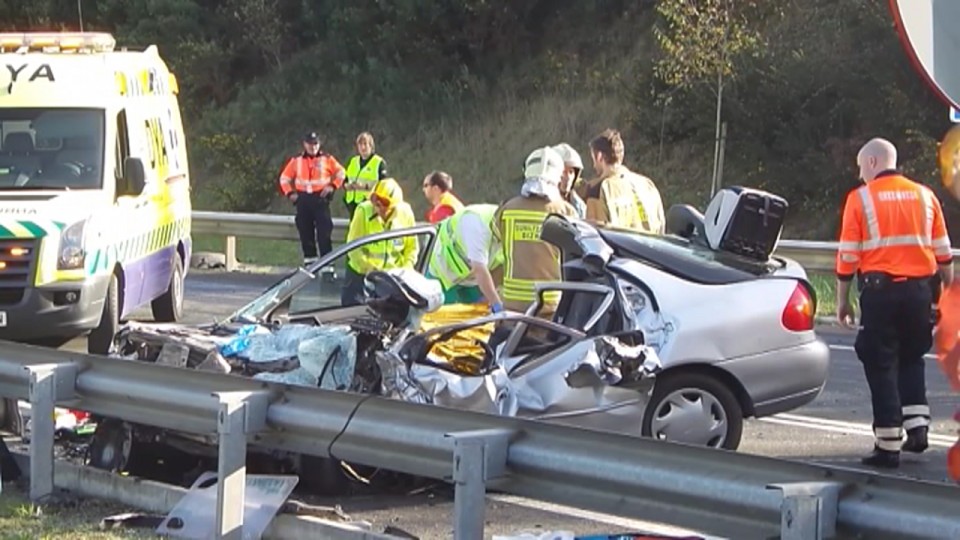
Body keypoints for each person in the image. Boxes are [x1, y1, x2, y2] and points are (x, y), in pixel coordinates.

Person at [835, 137, 954, 468]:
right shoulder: (925, 195)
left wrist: (842, 301)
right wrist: (945, 292)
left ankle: (888, 445)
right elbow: (944, 253)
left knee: (880, 360)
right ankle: (917, 427)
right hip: (920, 292)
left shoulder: (860, 199)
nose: (860, 175)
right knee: (912, 354)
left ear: (873, 163)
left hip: (880, 293)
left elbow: (847, 256)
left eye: (861, 167)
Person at [494, 146, 577, 315]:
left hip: (513, 306)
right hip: (550, 306)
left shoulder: (507, 209)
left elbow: (497, 237)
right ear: (557, 177)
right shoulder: (566, 212)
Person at [341, 178, 418, 306]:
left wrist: (405, 271)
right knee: (353, 315)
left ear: (395, 206)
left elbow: (411, 248)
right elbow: (353, 247)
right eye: (375, 202)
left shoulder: (405, 213)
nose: (378, 207)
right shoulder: (363, 211)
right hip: (361, 277)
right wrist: (370, 269)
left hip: (393, 280)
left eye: (384, 204)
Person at [277, 131, 346, 266]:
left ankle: (327, 268)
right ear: (304, 145)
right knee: (305, 234)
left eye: (315, 144)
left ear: (319, 144)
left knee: (324, 234)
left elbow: (341, 173)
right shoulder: (296, 161)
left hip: (320, 200)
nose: (313, 147)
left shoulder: (327, 159)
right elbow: (284, 178)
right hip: (303, 201)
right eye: (310, 144)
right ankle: (310, 266)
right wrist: (290, 194)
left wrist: (332, 186)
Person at [578, 129, 665, 234]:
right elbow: (661, 227)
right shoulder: (647, 185)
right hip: (651, 249)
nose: (594, 165)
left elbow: (596, 238)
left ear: (599, 156)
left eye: (593, 159)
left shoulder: (598, 190)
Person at [425, 203, 504, 309]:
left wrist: (490, 296)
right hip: (444, 272)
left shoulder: (511, 231)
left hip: (472, 278)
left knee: (476, 317)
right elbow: (479, 269)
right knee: (439, 317)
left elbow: (505, 265)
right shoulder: (477, 224)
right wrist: (496, 304)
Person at [342, 132, 388, 218]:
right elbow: (345, 180)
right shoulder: (353, 161)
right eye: (360, 145)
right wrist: (348, 186)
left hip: (369, 205)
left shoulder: (379, 162)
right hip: (352, 205)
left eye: (365, 144)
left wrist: (364, 186)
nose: (363, 147)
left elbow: (384, 185)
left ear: (371, 146)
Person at [551, 143, 587, 218]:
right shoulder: (541, 202)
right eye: (563, 172)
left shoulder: (580, 207)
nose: (567, 177)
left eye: (571, 172)